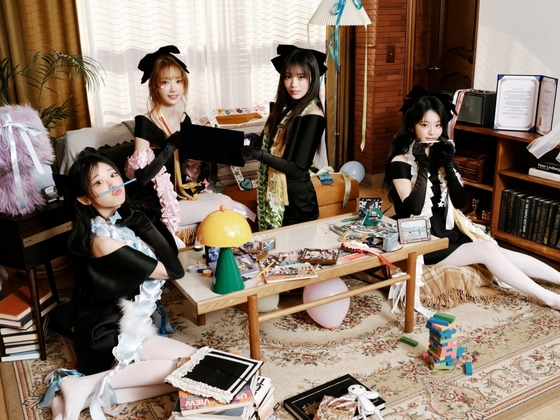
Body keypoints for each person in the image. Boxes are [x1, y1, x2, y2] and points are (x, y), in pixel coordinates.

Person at [45, 154, 197, 420]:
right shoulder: (103, 241)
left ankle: (78, 396)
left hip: (129, 323)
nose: (113, 184)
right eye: (99, 182)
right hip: (108, 335)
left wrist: (142, 222)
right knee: (191, 367)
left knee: (192, 369)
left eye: (113, 175)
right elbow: (174, 271)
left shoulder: (117, 224)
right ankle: (83, 385)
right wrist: (145, 224)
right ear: (85, 199)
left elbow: (171, 258)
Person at [383, 90, 560, 310]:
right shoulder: (400, 162)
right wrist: (424, 166)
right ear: (412, 126)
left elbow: (459, 203)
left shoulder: (441, 154)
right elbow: (414, 208)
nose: (432, 132)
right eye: (425, 125)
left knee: (499, 251)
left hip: (448, 234)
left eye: (438, 125)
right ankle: (549, 298)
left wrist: (448, 165)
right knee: (486, 250)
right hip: (422, 240)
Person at [125, 45, 252, 246]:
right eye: (165, 82)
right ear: (154, 87)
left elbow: (190, 164)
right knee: (223, 207)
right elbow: (141, 179)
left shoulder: (184, 118)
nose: (173, 88)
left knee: (227, 201)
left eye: (178, 81)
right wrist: (170, 146)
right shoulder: (145, 122)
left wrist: (215, 150)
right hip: (157, 203)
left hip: (182, 194)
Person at [240, 45, 327, 230]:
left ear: (313, 78)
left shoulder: (313, 114)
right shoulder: (284, 110)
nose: (293, 84)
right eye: (288, 76)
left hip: (297, 205)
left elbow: (296, 169)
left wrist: (257, 154)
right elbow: (269, 144)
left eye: (301, 77)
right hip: (273, 195)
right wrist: (252, 139)